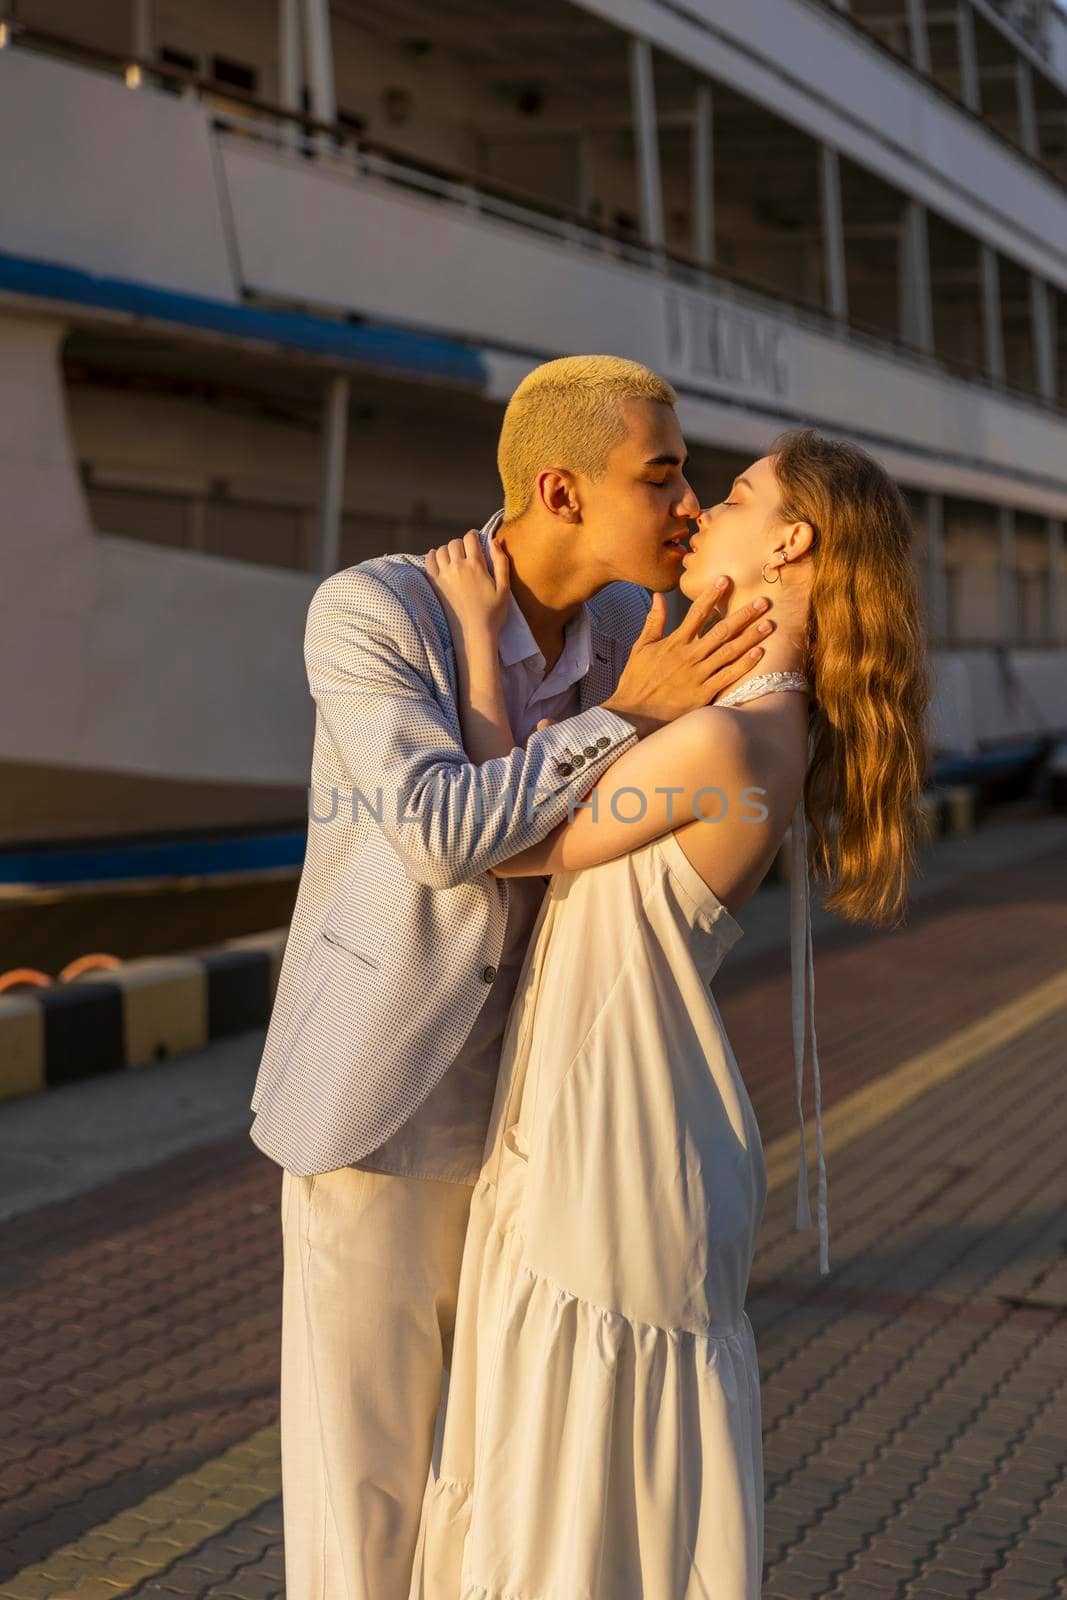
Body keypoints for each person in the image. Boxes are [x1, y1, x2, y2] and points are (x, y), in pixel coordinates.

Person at [247, 355, 779, 1599]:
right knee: (362, 1491)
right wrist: (624, 718)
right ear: (560, 487)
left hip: (539, 1135)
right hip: (379, 1104)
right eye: (661, 475)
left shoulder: (622, 633)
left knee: (485, 1481)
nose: (688, 502)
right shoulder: (372, 613)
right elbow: (436, 832)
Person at [412, 429, 931, 1599]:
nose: (699, 509)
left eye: (737, 494)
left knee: (556, 1488)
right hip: (635, 1134)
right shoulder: (766, 730)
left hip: (608, 1145)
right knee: (603, 1494)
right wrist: (638, 702)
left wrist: (473, 645)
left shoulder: (715, 740)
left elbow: (513, 839)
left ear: (789, 542)